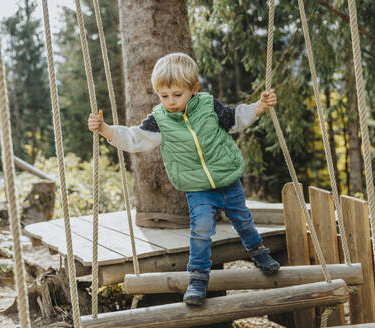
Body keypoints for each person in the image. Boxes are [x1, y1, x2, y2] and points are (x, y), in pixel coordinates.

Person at [87, 52, 280, 306]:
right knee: (200, 230)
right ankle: (198, 277)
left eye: (177, 95)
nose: (170, 102)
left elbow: (234, 119)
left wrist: (259, 106)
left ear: (194, 89)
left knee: (243, 220)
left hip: (227, 179)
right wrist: (105, 130)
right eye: (164, 96)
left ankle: (258, 252)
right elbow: (135, 138)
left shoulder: (209, 105)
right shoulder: (160, 119)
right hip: (198, 188)